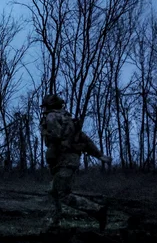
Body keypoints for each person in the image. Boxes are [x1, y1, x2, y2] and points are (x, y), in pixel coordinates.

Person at [40, 94, 112, 230]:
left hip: (64, 160)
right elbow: (84, 139)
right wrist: (99, 155)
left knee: (63, 194)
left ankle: (98, 210)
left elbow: (55, 137)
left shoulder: (51, 117)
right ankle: (52, 224)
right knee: (53, 192)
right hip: (68, 160)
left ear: (48, 106)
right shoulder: (68, 119)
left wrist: (51, 149)